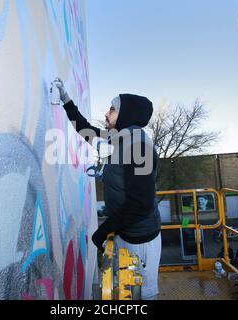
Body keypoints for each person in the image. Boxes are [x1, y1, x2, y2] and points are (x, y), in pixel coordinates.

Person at [54, 78, 161, 300]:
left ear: (126, 114)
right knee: (126, 295)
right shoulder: (122, 138)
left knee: (141, 296)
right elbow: (87, 131)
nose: (106, 114)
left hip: (141, 240)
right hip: (126, 232)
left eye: (112, 109)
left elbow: (141, 204)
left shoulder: (139, 146)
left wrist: (103, 230)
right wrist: (66, 100)